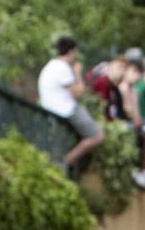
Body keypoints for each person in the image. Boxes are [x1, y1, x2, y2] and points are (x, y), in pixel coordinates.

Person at [38, 35, 105, 177]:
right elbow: (79, 93)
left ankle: (69, 163)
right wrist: (77, 73)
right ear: (71, 51)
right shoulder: (62, 67)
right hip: (65, 110)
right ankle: (66, 161)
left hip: (52, 108)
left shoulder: (51, 65)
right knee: (97, 136)